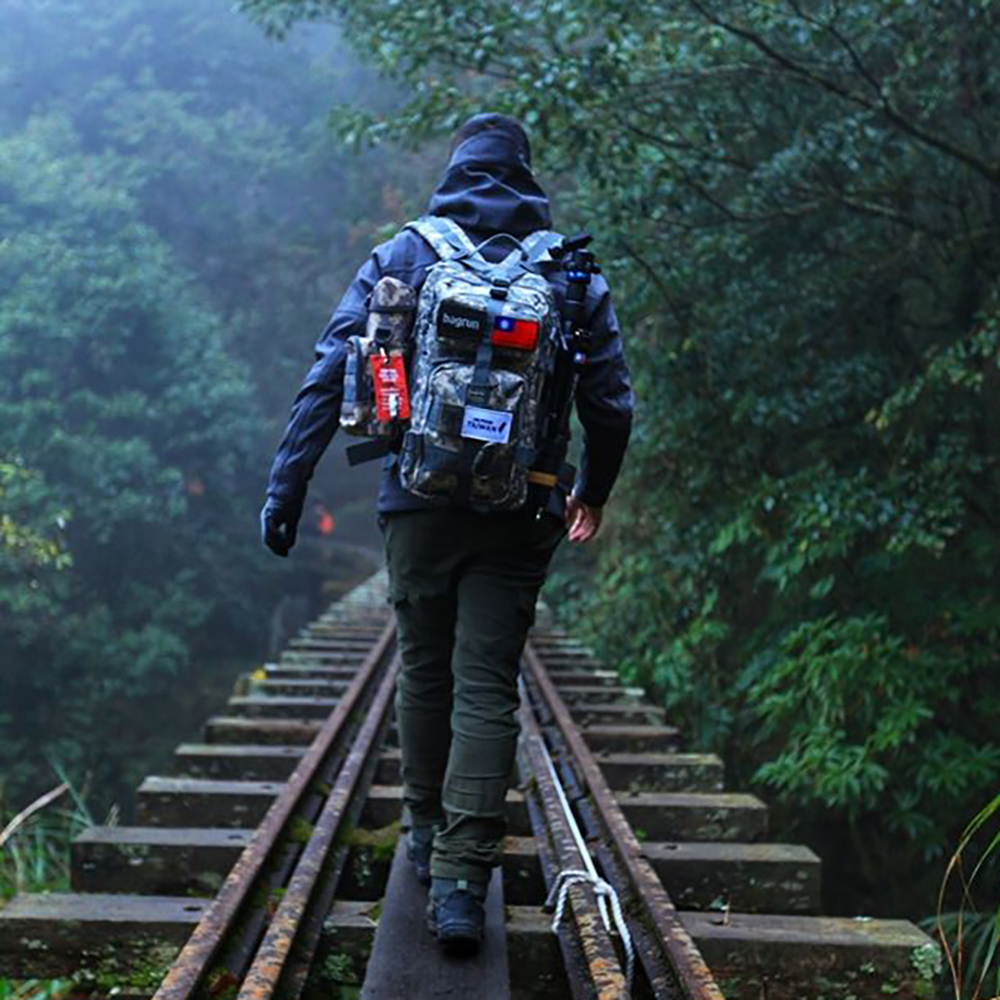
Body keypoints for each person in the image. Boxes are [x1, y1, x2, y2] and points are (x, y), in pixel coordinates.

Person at [261, 113, 633, 951]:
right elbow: (611, 404)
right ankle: (464, 883)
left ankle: (425, 836)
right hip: (523, 508)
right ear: (527, 177)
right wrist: (593, 491)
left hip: (415, 503)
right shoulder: (571, 275)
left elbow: (330, 373)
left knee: (425, 670)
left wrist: (287, 488)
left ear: (455, 172)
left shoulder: (405, 255)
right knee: (488, 684)